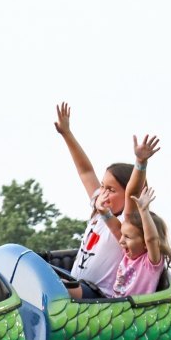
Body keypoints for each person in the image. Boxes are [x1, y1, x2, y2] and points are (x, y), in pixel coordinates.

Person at [54, 102, 136, 298]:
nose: (104, 193)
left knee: (50, 286)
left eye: (111, 189)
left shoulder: (127, 223)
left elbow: (134, 190)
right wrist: (67, 133)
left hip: (98, 296)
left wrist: (140, 164)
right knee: (37, 271)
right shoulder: (99, 207)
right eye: (103, 187)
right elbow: (85, 171)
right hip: (78, 283)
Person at [110, 186, 171, 297]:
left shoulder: (150, 263)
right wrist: (105, 212)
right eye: (122, 235)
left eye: (127, 237)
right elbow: (113, 227)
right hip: (117, 307)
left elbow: (152, 239)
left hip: (136, 312)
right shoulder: (128, 256)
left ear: (145, 243)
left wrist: (144, 211)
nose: (121, 241)